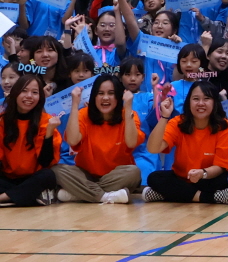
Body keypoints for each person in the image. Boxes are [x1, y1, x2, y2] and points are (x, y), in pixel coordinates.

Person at [53, 74, 144, 204]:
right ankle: (105, 196)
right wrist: (74, 105)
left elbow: (131, 142)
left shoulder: (129, 115)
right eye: (100, 93)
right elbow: (72, 140)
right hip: (86, 176)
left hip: (116, 176)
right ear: (94, 96)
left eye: (111, 93)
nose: (105, 98)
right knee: (57, 170)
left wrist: (128, 106)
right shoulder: (84, 114)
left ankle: (81, 194)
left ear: (119, 96)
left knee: (134, 172)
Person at [144, 81, 228, 204]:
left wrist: (202, 173)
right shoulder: (178, 122)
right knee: (154, 178)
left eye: (207, 98)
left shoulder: (224, 126)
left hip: (208, 178)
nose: (201, 103)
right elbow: (153, 149)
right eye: (196, 99)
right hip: (182, 179)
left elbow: (220, 167)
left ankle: (168, 195)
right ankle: (209, 197)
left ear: (215, 102)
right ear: (189, 102)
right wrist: (164, 117)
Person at [0, 75, 60, 206]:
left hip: (33, 177)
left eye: (34, 92)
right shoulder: (2, 120)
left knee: (48, 175)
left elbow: (45, 162)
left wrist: (49, 133)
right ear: (15, 93)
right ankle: (23, 196)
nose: (29, 96)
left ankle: (4, 198)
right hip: (7, 178)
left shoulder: (46, 121)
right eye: (24, 91)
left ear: (40, 97)